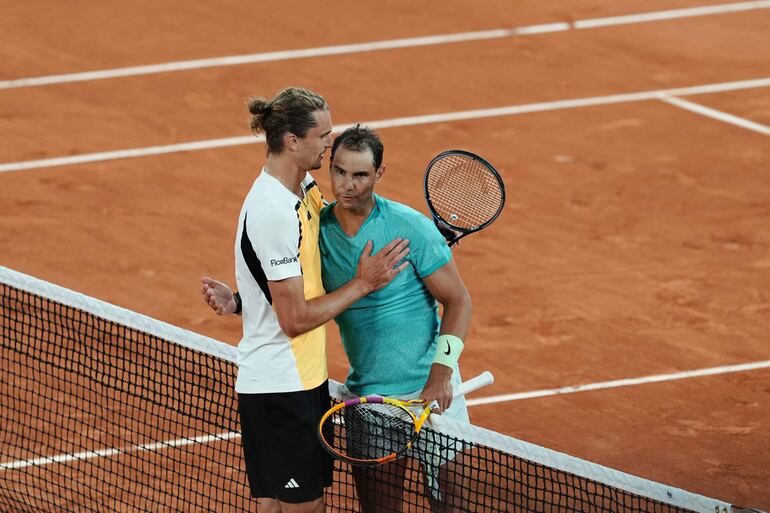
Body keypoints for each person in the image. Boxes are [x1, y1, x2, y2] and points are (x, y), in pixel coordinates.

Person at [203, 87, 410, 513]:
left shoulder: (304, 190)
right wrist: (363, 284)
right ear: (292, 141)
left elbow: (296, 281)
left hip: (297, 381)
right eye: (322, 136)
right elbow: (294, 319)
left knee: (273, 506)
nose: (329, 145)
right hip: (282, 387)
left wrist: (244, 303)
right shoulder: (274, 211)